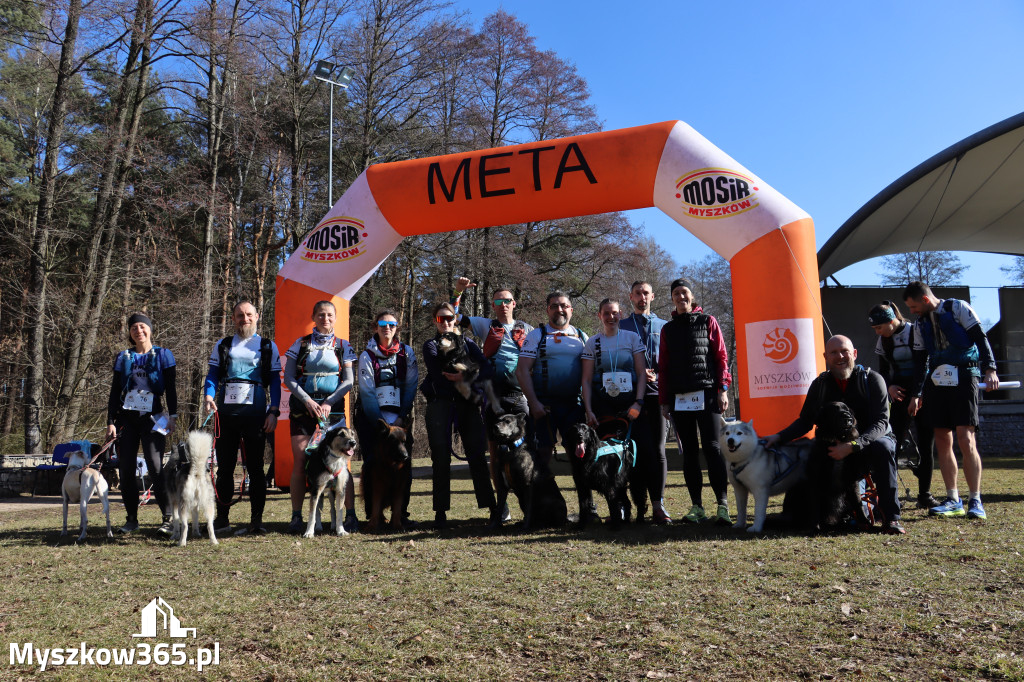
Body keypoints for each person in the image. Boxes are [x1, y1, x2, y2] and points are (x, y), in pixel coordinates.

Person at [766, 335, 904, 534]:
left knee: (883, 446)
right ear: (826, 357)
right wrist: (778, 437)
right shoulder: (820, 384)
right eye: (834, 353)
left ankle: (891, 518)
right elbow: (805, 421)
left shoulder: (872, 379)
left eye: (844, 351)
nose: (840, 356)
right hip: (837, 451)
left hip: (868, 446)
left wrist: (853, 446)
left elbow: (881, 422)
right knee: (814, 457)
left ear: (854, 354)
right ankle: (820, 516)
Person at [903, 281, 1000, 520]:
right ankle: (953, 499)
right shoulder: (919, 324)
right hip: (938, 381)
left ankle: (975, 499)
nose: (912, 312)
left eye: (914, 306)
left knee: (966, 438)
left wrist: (990, 369)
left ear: (925, 300)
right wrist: (916, 394)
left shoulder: (958, 308)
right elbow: (920, 361)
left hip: (965, 376)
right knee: (942, 439)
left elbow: (980, 338)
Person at [451, 276, 533, 523]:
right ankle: (502, 507)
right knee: (495, 453)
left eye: (507, 300)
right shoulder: (485, 325)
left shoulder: (528, 329)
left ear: (514, 303)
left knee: (528, 450)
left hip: (520, 396)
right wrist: (458, 292)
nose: (503, 304)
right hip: (493, 397)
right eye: (498, 301)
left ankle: (531, 504)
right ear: (493, 305)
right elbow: (452, 317)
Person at [516, 291, 597, 525]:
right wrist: (533, 403)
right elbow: (522, 370)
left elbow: (590, 375)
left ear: (571, 309)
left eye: (564, 306)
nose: (559, 310)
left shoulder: (582, 336)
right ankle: (537, 513)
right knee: (540, 460)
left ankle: (588, 511)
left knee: (581, 458)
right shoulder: (537, 335)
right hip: (544, 406)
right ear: (547, 310)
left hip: (573, 406)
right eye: (554, 306)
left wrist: (589, 407)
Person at [657, 278, 732, 525]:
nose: (681, 297)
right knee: (689, 452)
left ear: (692, 296)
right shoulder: (667, 330)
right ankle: (697, 507)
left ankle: (722, 505)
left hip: (707, 393)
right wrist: (664, 400)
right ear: (672, 298)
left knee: (712, 448)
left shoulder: (708, 321)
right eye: (676, 293)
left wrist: (723, 389)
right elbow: (664, 366)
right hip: (680, 398)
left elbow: (721, 357)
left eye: (684, 292)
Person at [203, 300, 282, 536]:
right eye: (239, 315)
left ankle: (256, 521)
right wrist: (208, 396)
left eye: (249, 315)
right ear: (233, 319)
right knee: (225, 469)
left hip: (255, 415)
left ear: (257, 317)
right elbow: (212, 374)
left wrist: (273, 411)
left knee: (256, 469)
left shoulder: (267, 346)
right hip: (226, 415)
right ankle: (222, 519)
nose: (244, 319)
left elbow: (275, 381)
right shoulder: (223, 344)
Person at [282, 301, 358, 534]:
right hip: (303, 410)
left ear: (335, 317)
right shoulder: (301, 344)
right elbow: (289, 378)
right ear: (313, 317)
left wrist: (328, 402)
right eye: (321, 315)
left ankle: (350, 516)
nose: (326, 319)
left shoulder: (343, 345)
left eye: (330, 315)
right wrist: (308, 401)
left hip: (332, 411)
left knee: (342, 464)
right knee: (300, 462)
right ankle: (297, 517)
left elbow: (348, 380)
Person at [421, 302, 498, 529]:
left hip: (467, 404)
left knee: (477, 456)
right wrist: (468, 373)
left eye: (449, 318)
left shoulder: (468, 342)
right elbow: (439, 375)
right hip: (440, 404)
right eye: (441, 319)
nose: (445, 322)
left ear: (455, 319)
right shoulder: (430, 345)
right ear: (435, 321)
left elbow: (486, 369)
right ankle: (440, 513)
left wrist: (464, 376)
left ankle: (492, 509)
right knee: (440, 458)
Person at [106, 312, 177, 534]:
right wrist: (110, 421)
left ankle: (167, 518)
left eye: (142, 326)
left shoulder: (163, 355)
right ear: (130, 332)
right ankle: (131, 520)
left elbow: (171, 388)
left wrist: (173, 416)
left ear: (150, 329)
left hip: (153, 418)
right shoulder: (123, 357)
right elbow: (115, 391)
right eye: (134, 327)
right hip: (126, 418)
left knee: (155, 467)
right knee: (126, 469)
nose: (139, 330)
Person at [581, 298, 651, 521]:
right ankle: (619, 508)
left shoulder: (632, 338)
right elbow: (586, 380)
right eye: (606, 313)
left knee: (635, 459)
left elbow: (641, 373)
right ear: (599, 315)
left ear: (621, 313)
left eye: (614, 313)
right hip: (603, 407)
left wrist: (638, 402)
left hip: (631, 406)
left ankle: (641, 508)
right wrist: (589, 410)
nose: (611, 317)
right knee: (611, 461)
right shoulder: (593, 342)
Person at [868, 301, 936, 509]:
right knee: (892, 444)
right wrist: (889, 386)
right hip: (899, 395)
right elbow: (883, 371)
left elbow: (923, 364)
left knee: (926, 444)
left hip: (923, 392)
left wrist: (917, 394)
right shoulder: (883, 340)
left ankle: (925, 495)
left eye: (879, 327)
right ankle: (888, 496)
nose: (877, 332)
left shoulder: (915, 331)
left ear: (891, 321)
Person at [355, 309, 418, 527]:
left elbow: (411, 386)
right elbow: (367, 392)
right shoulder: (367, 355)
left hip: (400, 420)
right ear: (375, 327)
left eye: (392, 324)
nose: (387, 328)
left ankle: (401, 515)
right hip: (373, 420)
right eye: (382, 324)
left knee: (404, 466)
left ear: (397, 328)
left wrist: (401, 418)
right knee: (371, 466)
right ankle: (374, 516)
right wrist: (383, 424)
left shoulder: (407, 353)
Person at [618, 280, 670, 523]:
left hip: (657, 395)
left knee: (658, 450)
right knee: (634, 451)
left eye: (646, 293)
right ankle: (639, 507)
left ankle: (658, 505)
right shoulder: (621, 325)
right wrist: (636, 374)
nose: (642, 297)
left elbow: (671, 361)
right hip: (631, 398)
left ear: (653, 296)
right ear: (631, 297)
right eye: (637, 293)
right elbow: (616, 361)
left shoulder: (664, 326)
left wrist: (658, 376)